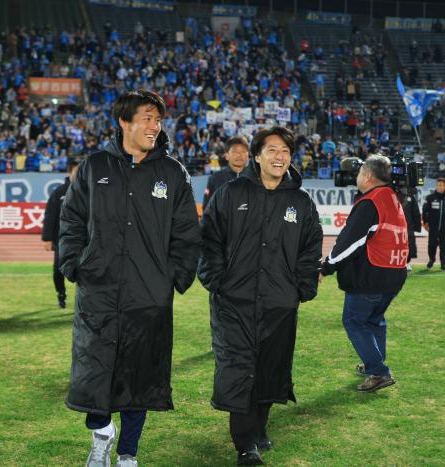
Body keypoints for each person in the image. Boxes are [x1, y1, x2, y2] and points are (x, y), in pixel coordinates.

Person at [58, 90, 201, 467]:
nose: (155, 126)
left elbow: (188, 232)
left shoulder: (172, 173)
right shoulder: (94, 166)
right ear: (124, 121)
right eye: (147, 118)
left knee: (140, 376)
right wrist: (74, 263)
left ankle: (128, 454)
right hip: (99, 290)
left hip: (149, 294)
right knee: (95, 368)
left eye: (158, 119)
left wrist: (172, 277)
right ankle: (101, 433)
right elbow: (71, 219)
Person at [198, 126, 323, 466]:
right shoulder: (229, 193)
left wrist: (301, 288)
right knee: (239, 368)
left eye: (285, 151)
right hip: (233, 303)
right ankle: (245, 445)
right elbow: (208, 240)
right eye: (272, 150)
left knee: (270, 368)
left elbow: (310, 248)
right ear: (257, 155)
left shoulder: (301, 201)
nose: (279, 157)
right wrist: (216, 280)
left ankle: (259, 427)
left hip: (279, 304)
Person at [319, 155, 408, 394]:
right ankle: (374, 363)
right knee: (374, 320)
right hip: (395, 273)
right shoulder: (393, 197)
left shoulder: (371, 202)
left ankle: (378, 371)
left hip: (371, 276)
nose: (356, 177)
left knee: (354, 321)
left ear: (367, 175)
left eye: (359, 173)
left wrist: (326, 267)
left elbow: (350, 242)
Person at [41, 159, 79, 309]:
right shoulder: (59, 193)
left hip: (84, 240)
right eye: (77, 172)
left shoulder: (90, 191)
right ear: (69, 173)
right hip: (62, 240)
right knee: (58, 271)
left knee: (85, 272)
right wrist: (47, 238)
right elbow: (50, 215)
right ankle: (61, 295)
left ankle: (84, 299)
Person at [202, 136, 250, 209]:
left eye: (243, 151)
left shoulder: (256, 179)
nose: (239, 155)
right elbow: (207, 208)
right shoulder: (215, 178)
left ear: (247, 155)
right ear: (226, 156)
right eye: (235, 152)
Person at [422, 178, 445, 272]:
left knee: (444, 246)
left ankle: (443, 264)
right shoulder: (430, 198)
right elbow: (424, 211)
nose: (439, 187)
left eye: (441, 185)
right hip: (433, 227)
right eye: (438, 185)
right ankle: (431, 260)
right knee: (431, 245)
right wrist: (425, 222)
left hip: (444, 228)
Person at [400, 187, 422, 271]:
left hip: (408, 227)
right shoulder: (392, 196)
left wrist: (417, 227)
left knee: (409, 245)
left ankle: (407, 262)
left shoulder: (410, 198)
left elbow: (416, 212)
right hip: (396, 227)